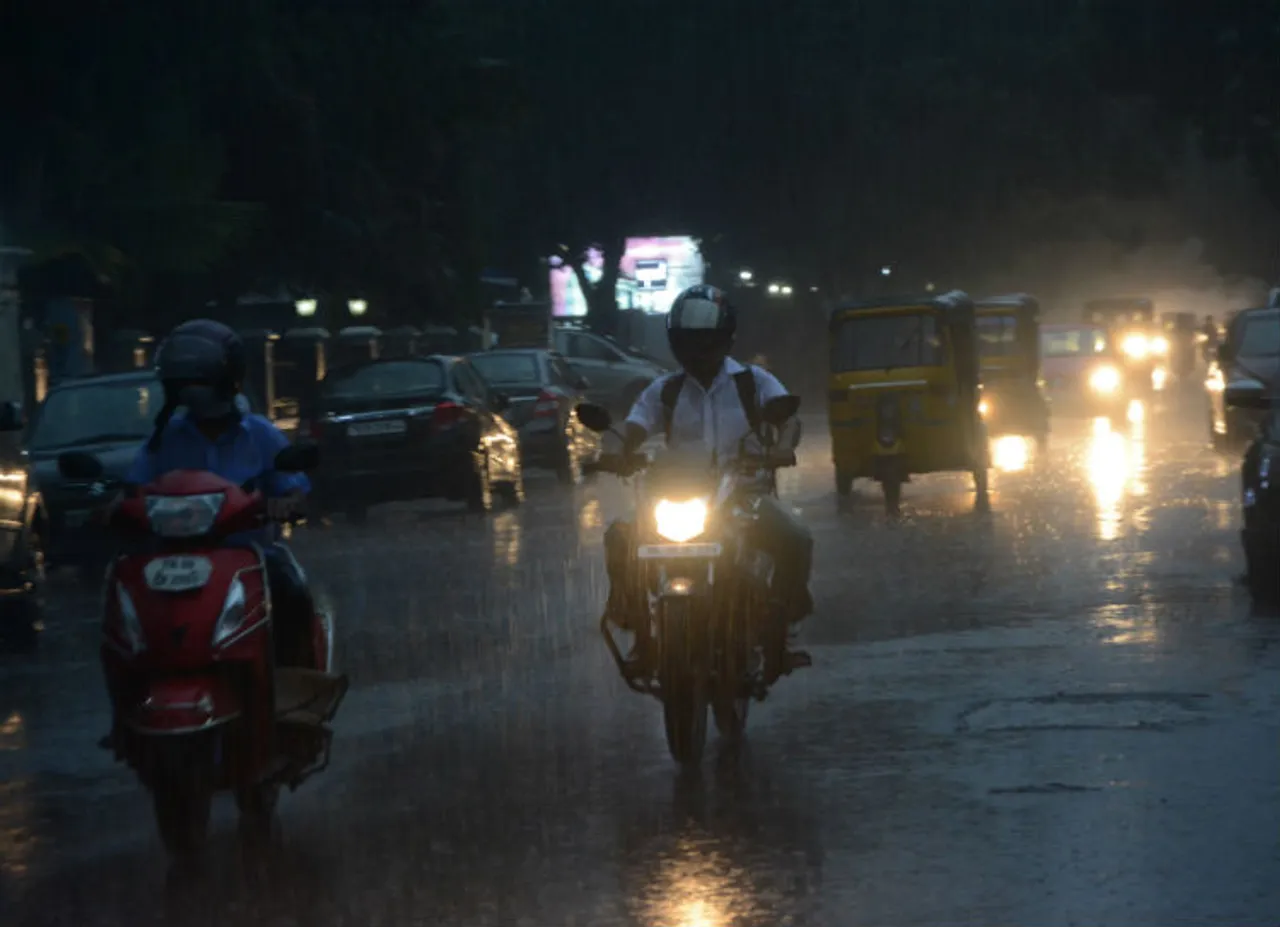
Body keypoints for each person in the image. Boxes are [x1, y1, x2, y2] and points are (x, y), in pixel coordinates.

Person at [600, 284, 813, 682]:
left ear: (724, 339)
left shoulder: (754, 382)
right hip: (678, 497)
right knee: (619, 537)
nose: (697, 351)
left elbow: (789, 418)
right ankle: (642, 635)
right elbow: (632, 427)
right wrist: (612, 449)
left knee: (796, 538)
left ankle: (780, 633)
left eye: (705, 340)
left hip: (743, 496)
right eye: (688, 341)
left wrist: (782, 446)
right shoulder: (663, 389)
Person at [123, 319, 316, 667]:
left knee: (291, 591)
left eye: (201, 379)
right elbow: (134, 487)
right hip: (171, 561)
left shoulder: (258, 433)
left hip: (251, 556)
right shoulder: (164, 439)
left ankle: (294, 684)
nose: (194, 389)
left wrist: (284, 504)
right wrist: (114, 507)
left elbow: (296, 490)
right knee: (126, 597)